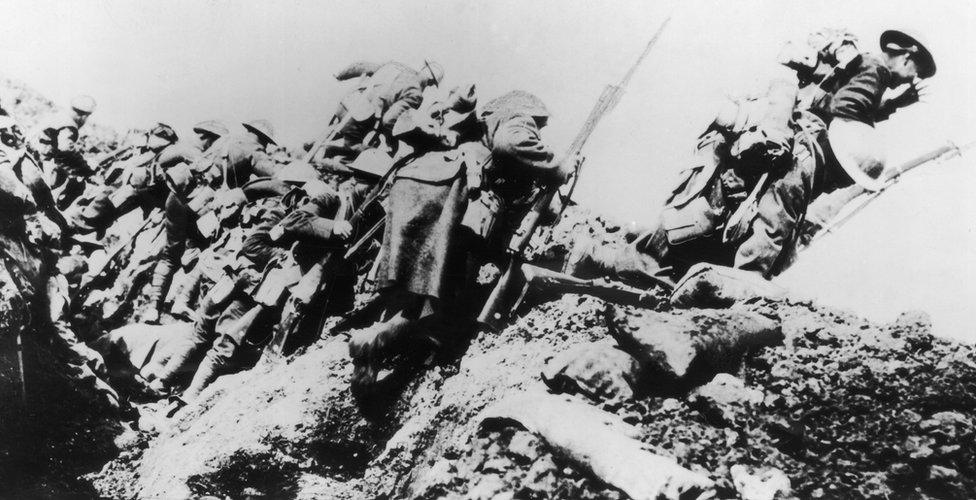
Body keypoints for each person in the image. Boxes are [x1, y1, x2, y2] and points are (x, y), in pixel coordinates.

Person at [348, 88, 574, 398]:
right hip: (454, 198)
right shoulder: (519, 118)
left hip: (426, 187)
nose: (539, 131)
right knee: (449, 303)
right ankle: (377, 341)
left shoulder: (483, 125)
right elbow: (512, 144)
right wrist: (558, 166)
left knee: (426, 293)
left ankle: (385, 341)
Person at [732, 29, 936, 277]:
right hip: (812, 143)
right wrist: (869, 127)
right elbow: (846, 109)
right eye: (916, 73)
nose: (910, 80)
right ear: (906, 57)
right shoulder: (877, 71)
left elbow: (853, 104)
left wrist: (892, 104)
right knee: (782, 212)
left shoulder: (868, 65)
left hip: (807, 134)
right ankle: (749, 274)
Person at [314, 60, 444, 171]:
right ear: (431, 81)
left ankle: (312, 146)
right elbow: (389, 121)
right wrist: (391, 142)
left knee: (333, 132)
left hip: (347, 103)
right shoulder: (416, 94)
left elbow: (361, 66)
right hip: (360, 116)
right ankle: (326, 152)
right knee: (371, 153)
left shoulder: (396, 67)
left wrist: (340, 75)